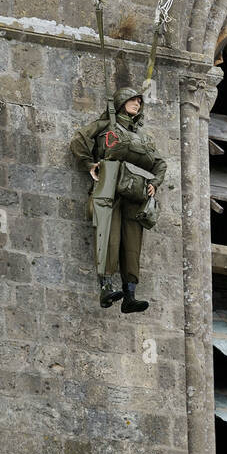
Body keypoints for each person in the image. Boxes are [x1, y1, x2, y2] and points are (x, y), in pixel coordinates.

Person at [70, 86, 166, 313]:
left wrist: (154, 183)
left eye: (139, 101)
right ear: (121, 102)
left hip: (136, 190)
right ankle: (105, 288)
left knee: (132, 243)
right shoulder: (105, 126)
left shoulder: (144, 136)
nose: (137, 104)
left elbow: (159, 163)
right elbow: (79, 140)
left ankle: (130, 294)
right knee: (108, 236)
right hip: (110, 182)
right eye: (132, 100)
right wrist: (89, 164)